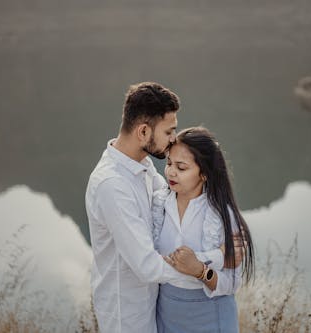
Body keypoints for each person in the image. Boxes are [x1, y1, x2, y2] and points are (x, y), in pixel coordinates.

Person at [85, 82, 244, 333]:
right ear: (144, 132)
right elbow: (148, 265)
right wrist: (213, 260)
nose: (172, 140)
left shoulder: (146, 169)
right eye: (169, 132)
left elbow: (184, 197)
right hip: (126, 314)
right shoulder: (112, 185)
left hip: (156, 309)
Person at [152, 126, 255, 333]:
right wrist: (217, 256)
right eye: (169, 163)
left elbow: (232, 282)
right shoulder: (157, 204)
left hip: (212, 317)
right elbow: (148, 260)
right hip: (167, 314)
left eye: (181, 168)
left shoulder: (222, 215)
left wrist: (201, 270)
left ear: (204, 174)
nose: (171, 171)